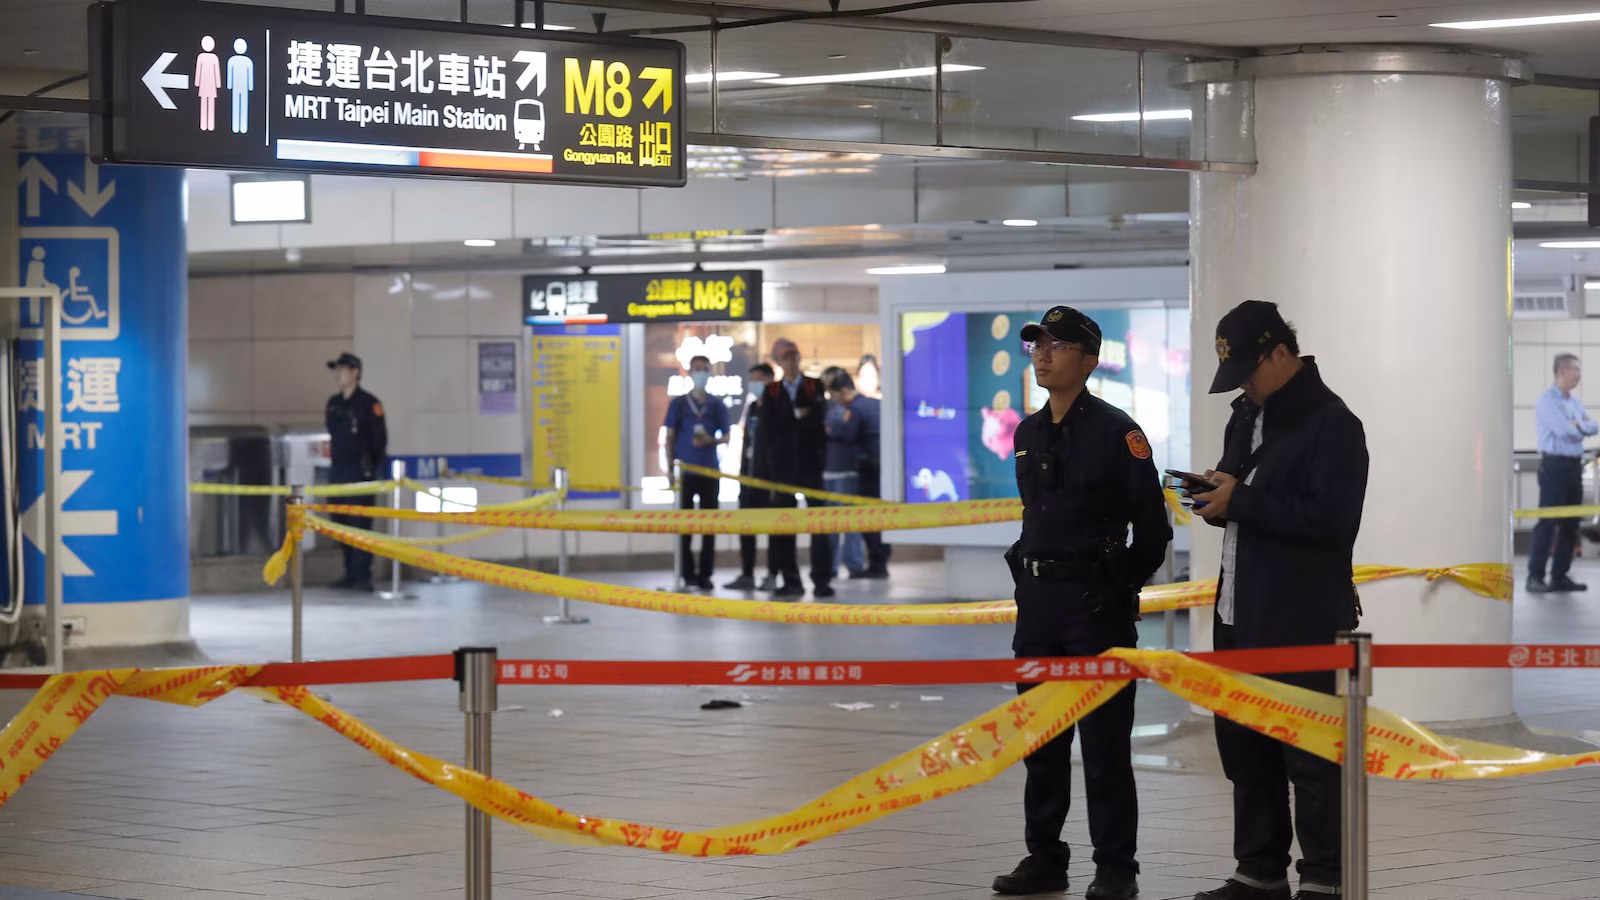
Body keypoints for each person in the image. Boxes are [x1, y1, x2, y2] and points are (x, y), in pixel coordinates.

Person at [1188, 301, 1368, 900]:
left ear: (1282, 352)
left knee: (1312, 758)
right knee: (1246, 750)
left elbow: (1332, 522)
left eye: (1248, 370)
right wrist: (1218, 496)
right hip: (1238, 610)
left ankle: (1325, 879)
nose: (1242, 383)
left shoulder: (1332, 423)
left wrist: (1241, 501)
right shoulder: (1245, 416)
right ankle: (1259, 873)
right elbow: (1246, 499)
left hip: (1302, 616)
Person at [994, 306, 1170, 900]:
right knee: (1040, 741)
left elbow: (1153, 532)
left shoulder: (1120, 433)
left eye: (1058, 345)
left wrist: (1118, 586)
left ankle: (1116, 867)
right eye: (1037, 344)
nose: (1043, 355)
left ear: (1090, 360)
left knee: (1104, 747)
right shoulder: (1028, 432)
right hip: (1039, 605)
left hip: (1095, 607)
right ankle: (1045, 858)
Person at [755, 338, 831, 598]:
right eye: (785, 357)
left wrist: (800, 421)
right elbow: (766, 432)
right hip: (782, 469)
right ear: (778, 361)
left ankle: (822, 580)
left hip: (811, 466)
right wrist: (767, 475)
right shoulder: (772, 391)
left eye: (794, 356)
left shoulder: (813, 385)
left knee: (820, 525)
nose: (791, 361)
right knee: (783, 527)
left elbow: (818, 421)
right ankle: (790, 580)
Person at [1528, 353, 1597, 594]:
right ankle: (1535, 576)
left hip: (1573, 466)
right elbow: (1563, 430)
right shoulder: (1547, 401)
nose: (1579, 375)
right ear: (1562, 371)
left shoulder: (1574, 403)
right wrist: (1578, 427)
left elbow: (1594, 426)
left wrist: (1579, 426)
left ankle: (1560, 575)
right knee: (1548, 521)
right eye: (1575, 369)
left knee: (1571, 523)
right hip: (1554, 466)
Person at [664, 355, 730, 590]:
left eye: (704, 369)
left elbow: (727, 436)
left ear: (709, 373)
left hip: (709, 472)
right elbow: (669, 437)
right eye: (696, 369)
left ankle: (705, 575)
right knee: (685, 526)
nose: (700, 373)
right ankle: (687, 574)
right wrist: (670, 469)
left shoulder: (716, 405)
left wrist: (711, 441)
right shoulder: (679, 404)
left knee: (709, 526)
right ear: (690, 373)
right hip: (685, 472)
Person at [325, 353, 388, 591]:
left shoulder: (369, 404)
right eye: (336, 370)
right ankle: (350, 572)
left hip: (360, 473)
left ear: (355, 372)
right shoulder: (334, 404)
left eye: (342, 369)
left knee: (359, 525)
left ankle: (363, 575)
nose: (337, 375)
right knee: (340, 523)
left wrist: (370, 469)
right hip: (338, 472)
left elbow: (379, 441)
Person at [822, 368, 890, 578]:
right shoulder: (875, 403)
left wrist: (829, 430)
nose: (835, 401)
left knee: (866, 519)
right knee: (878, 517)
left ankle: (877, 564)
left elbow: (848, 433)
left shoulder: (856, 409)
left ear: (844, 391)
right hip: (883, 467)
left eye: (835, 396)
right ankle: (879, 562)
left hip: (867, 468)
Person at [726, 363, 778, 591]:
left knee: (774, 531)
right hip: (749, 478)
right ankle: (747, 574)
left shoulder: (778, 407)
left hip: (769, 480)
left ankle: (773, 574)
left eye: (758, 380)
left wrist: (775, 481)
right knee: (746, 527)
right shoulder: (754, 408)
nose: (754, 385)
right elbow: (748, 442)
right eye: (752, 380)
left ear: (770, 380)